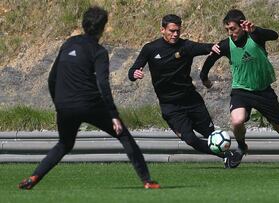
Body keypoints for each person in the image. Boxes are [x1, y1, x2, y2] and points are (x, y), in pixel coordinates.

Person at [18, 6, 160, 190]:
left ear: (83, 24)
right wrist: (113, 115)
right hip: (89, 104)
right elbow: (103, 85)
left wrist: (58, 104)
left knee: (64, 144)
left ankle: (35, 176)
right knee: (124, 136)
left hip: (64, 106)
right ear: (103, 28)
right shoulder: (99, 52)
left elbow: (52, 78)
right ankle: (147, 181)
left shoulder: (68, 44)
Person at [200, 9, 279, 169]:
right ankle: (241, 147)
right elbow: (210, 59)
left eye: (233, 29)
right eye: (227, 30)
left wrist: (257, 30)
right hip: (241, 90)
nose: (230, 33)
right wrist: (204, 77)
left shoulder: (255, 36)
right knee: (237, 121)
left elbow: (274, 35)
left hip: (263, 91)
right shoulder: (226, 44)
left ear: (242, 25)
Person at [128, 14, 241, 168]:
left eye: (178, 31)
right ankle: (226, 155)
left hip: (192, 100)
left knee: (211, 135)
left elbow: (205, 47)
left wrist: (213, 47)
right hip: (170, 105)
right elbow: (133, 70)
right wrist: (134, 74)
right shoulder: (150, 49)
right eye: (172, 31)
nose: (175, 34)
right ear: (162, 30)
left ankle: (229, 155)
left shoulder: (186, 47)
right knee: (190, 139)